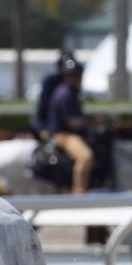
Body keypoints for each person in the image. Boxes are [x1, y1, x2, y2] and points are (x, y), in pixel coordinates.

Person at [45, 58, 93, 195]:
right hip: (64, 135)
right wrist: (91, 123)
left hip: (67, 133)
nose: (78, 79)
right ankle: (78, 192)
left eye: (78, 75)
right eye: (74, 76)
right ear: (68, 77)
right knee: (86, 157)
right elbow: (73, 122)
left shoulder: (69, 92)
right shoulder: (66, 94)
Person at [34, 50, 75, 139]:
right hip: (50, 126)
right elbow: (44, 105)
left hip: (65, 128)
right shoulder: (51, 80)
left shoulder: (73, 83)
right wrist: (42, 127)